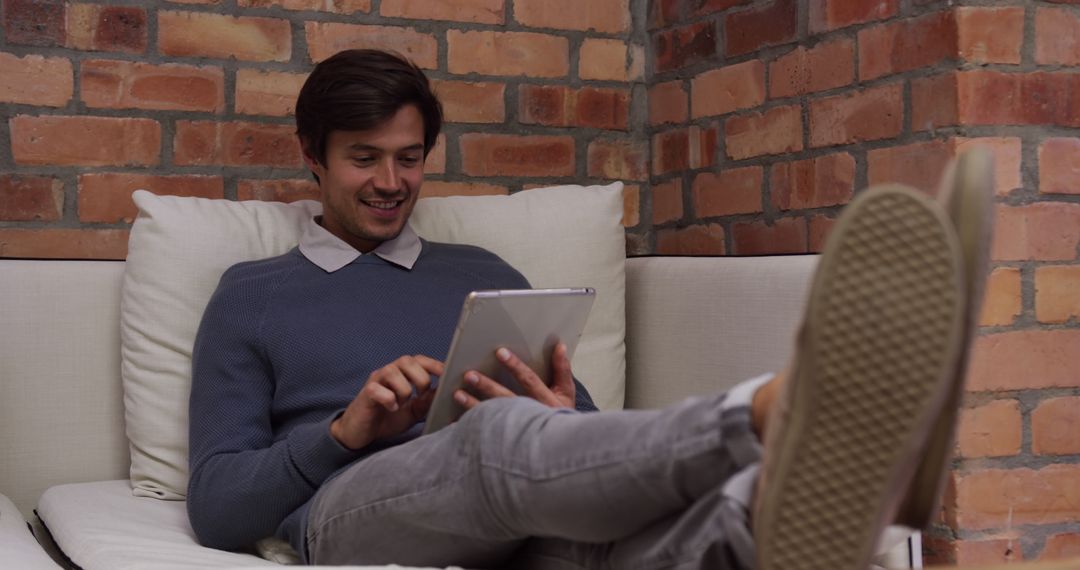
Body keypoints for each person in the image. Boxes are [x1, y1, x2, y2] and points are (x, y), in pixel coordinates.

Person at [186, 48, 991, 570]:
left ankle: (774, 510)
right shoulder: (253, 294)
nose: (391, 182)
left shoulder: (481, 273)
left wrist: (564, 409)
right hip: (349, 513)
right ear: (312, 157)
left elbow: (588, 441)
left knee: (639, 539)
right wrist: (343, 432)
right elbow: (219, 507)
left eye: (407, 158)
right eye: (363, 159)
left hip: (520, 505)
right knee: (492, 440)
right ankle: (767, 415)